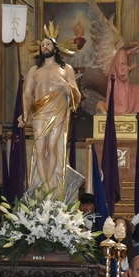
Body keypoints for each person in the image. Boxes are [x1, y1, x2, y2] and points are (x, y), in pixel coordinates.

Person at [23, 29, 81, 195]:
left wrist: (66, 86)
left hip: (57, 109)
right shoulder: (34, 70)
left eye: (48, 44)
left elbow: (76, 94)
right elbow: (27, 93)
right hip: (39, 110)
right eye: (42, 45)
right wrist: (25, 113)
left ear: (55, 48)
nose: (44, 47)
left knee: (52, 147)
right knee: (40, 149)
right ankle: (45, 186)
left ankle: (49, 184)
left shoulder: (66, 69)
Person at [99, 44, 139, 114]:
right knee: (122, 109)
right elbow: (120, 71)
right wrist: (131, 67)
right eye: (136, 49)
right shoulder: (121, 53)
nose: (137, 52)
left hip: (123, 84)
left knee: (138, 89)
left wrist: (129, 68)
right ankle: (103, 105)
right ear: (131, 47)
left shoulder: (125, 55)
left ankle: (136, 114)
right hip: (117, 84)